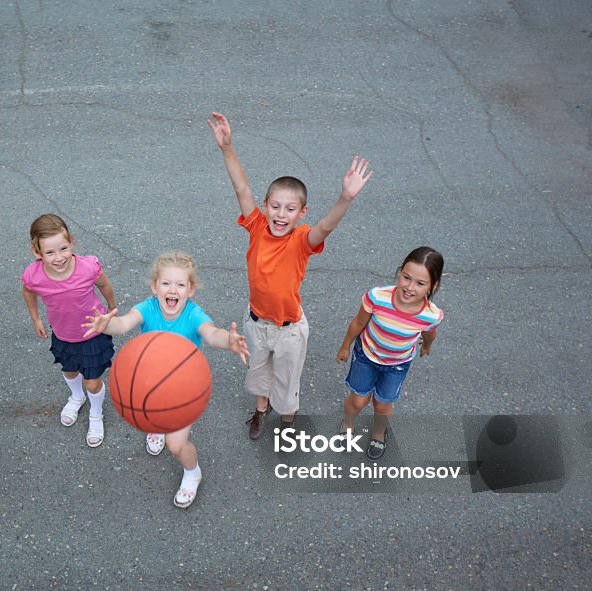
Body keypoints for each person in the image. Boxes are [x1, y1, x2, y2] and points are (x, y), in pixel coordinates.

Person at [208, 112, 373, 440]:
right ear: (266, 205)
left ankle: (286, 424)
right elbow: (241, 188)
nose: (281, 215)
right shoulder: (256, 226)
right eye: (276, 206)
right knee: (258, 376)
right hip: (257, 322)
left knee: (286, 383)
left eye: (290, 209)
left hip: (289, 331)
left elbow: (326, 226)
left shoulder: (302, 240)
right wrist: (227, 148)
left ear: (302, 213)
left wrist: (346, 198)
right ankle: (259, 411)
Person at [83, 252, 249, 509]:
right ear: (154, 287)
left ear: (190, 290)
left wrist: (228, 340)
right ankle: (156, 426)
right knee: (152, 414)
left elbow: (211, 333)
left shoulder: (193, 315)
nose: (173, 290)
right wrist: (106, 325)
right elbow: (123, 324)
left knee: (175, 445)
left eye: (180, 285)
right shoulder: (147, 308)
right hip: (150, 385)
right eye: (166, 283)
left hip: (184, 390)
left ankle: (193, 472)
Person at [336, 247, 444, 460]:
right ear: (400, 271)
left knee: (383, 404)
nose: (410, 287)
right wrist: (345, 346)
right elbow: (358, 322)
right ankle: (348, 423)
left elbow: (429, 334)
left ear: (433, 286)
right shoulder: (377, 297)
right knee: (358, 400)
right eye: (406, 277)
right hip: (366, 355)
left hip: (397, 364)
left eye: (420, 283)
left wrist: (427, 347)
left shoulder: (431, 315)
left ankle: (378, 432)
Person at [21, 213, 116, 447]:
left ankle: (96, 413)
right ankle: (76, 396)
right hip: (62, 334)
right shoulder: (33, 276)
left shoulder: (88, 267)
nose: (59, 257)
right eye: (50, 252)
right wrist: (35, 318)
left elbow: (104, 284)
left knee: (92, 381)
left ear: (71, 242)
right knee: (69, 370)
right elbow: (28, 292)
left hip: (93, 334)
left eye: (63, 248)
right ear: (37, 252)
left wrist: (112, 309)